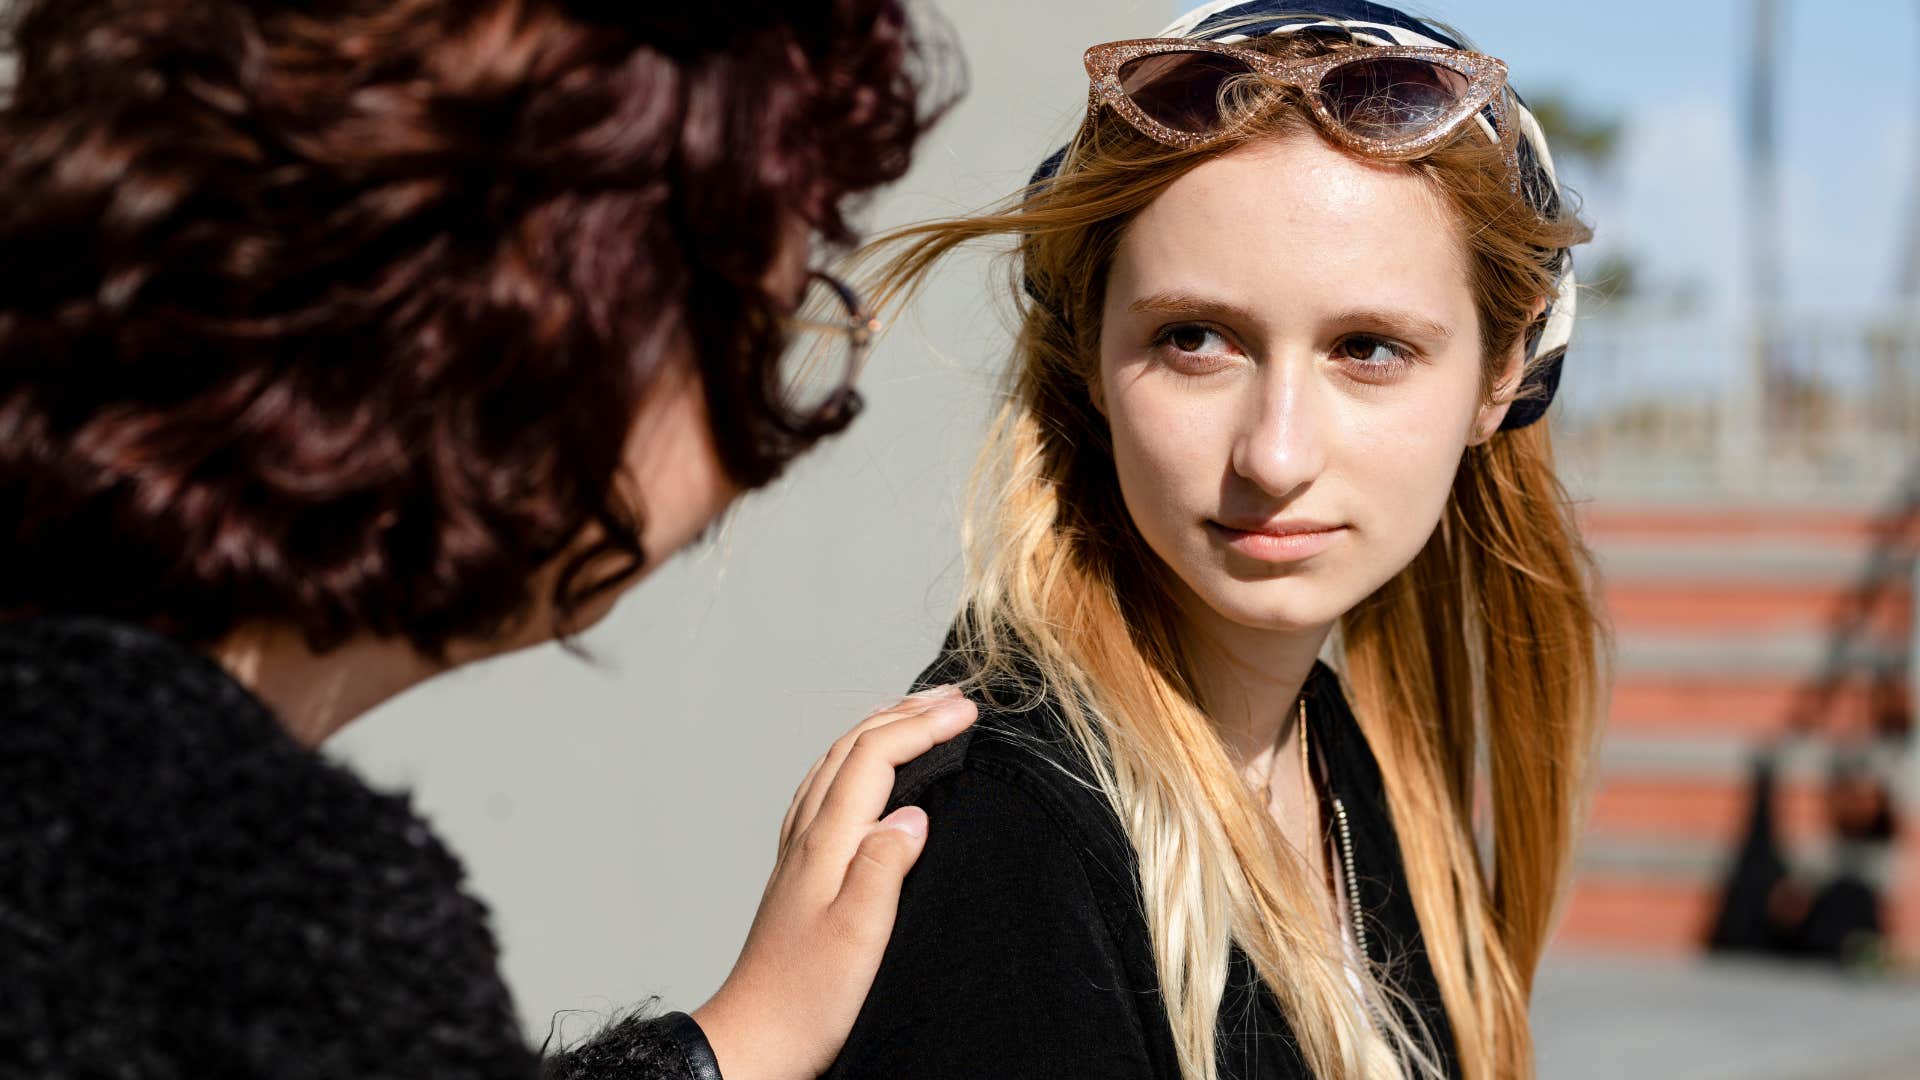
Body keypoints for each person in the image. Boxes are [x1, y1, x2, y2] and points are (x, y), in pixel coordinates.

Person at [0, 2, 971, 1078]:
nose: (762, 443)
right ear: (546, 327)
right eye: (766, 326)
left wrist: (727, 1045)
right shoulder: (236, 903)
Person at [826, 2, 1602, 1078]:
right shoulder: (1002, 833)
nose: (1275, 457)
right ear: (1090, 353)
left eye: (1367, 348)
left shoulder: (1334, 759)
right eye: (1195, 340)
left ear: (1501, 374)